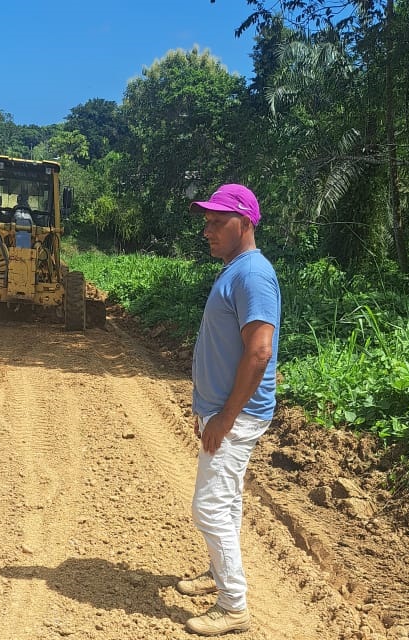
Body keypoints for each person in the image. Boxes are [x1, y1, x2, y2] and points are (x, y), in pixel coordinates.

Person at [177, 183, 281, 636]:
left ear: (245, 222)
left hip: (236, 416)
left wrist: (224, 417)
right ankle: (219, 574)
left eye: (218, 221)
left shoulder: (253, 274)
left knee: (209, 507)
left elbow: (259, 352)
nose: (208, 230)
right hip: (223, 411)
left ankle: (233, 605)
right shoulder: (236, 270)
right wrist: (207, 408)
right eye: (207, 221)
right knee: (228, 499)